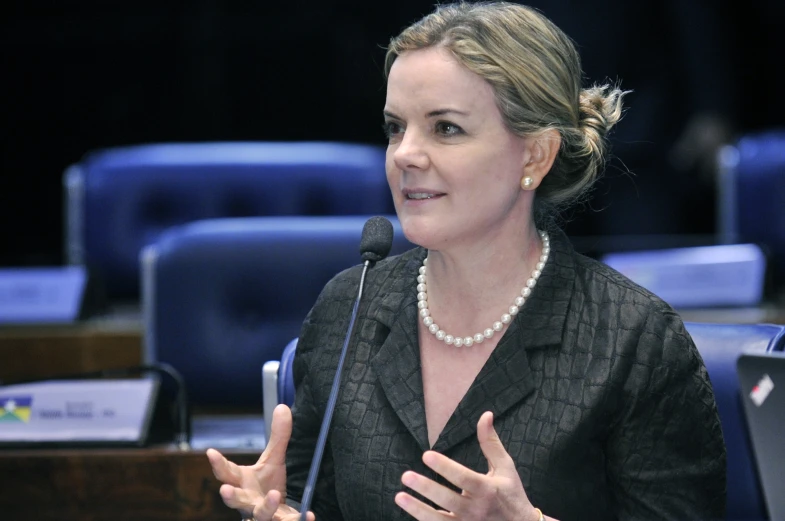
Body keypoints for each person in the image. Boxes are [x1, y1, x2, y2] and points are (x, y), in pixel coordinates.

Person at [207, 2, 726, 520]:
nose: (405, 154)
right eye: (395, 128)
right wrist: (277, 509)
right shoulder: (350, 307)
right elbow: (307, 499)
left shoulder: (634, 339)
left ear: (535, 156)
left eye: (445, 129)